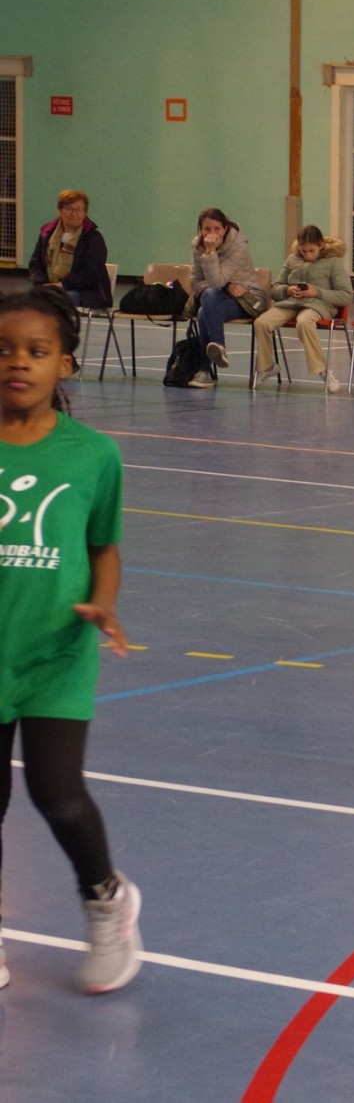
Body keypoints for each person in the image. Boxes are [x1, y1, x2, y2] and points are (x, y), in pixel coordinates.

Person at [0, 287, 143, 992]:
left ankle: (105, 897)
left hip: (57, 652)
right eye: (4, 350)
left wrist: (104, 604)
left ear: (64, 363)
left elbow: (103, 547)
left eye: (36, 350)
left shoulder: (93, 455)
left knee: (57, 794)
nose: (17, 362)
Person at [254, 225, 351, 393]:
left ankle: (323, 371)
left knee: (304, 322)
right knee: (261, 322)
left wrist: (317, 292)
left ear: (321, 245)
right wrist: (287, 290)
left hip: (318, 305)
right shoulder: (292, 259)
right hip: (291, 303)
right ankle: (267, 367)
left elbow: (346, 295)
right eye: (304, 251)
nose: (308, 255)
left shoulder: (334, 262)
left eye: (312, 251)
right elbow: (275, 289)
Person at [190, 208, 267, 386]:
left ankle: (205, 370)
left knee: (205, 309)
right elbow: (195, 283)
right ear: (200, 229)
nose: (212, 234)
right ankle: (218, 348)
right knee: (207, 302)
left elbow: (215, 281)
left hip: (249, 298)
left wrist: (210, 252)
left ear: (224, 229)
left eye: (217, 228)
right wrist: (226, 287)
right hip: (218, 297)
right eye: (207, 229)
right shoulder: (197, 246)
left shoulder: (238, 244)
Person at [28, 190, 111, 315]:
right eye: (69, 209)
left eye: (79, 209)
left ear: (85, 213)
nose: (74, 214)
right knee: (28, 300)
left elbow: (92, 274)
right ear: (60, 211)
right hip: (51, 288)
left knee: (52, 300)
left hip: (88, 292)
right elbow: (36, 263)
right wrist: (43, 284)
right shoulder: (47, 234)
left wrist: (62, 285)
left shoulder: (93, 238)